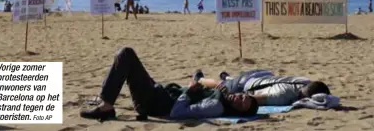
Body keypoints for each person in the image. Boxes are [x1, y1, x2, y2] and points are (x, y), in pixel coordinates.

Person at [79, 47, 258, 121]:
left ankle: (107, 106)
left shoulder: (216, 106)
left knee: (126, 55)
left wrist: (188, 92)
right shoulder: (221, 96)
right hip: (159, 93)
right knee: (127, 58)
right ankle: (106, 102)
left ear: (237, 111)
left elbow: (177, 112)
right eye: (243, 97)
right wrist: (195, 84)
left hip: (154, 102)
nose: (239, 98)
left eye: (241, 104)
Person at [193, 69, 331, 106]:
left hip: (261, 74)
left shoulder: (304, 80)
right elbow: (251, 98)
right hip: (245, 83)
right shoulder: (282, 97)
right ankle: (200, 79)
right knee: (221, 86)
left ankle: (227, 77)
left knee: (230, 81)